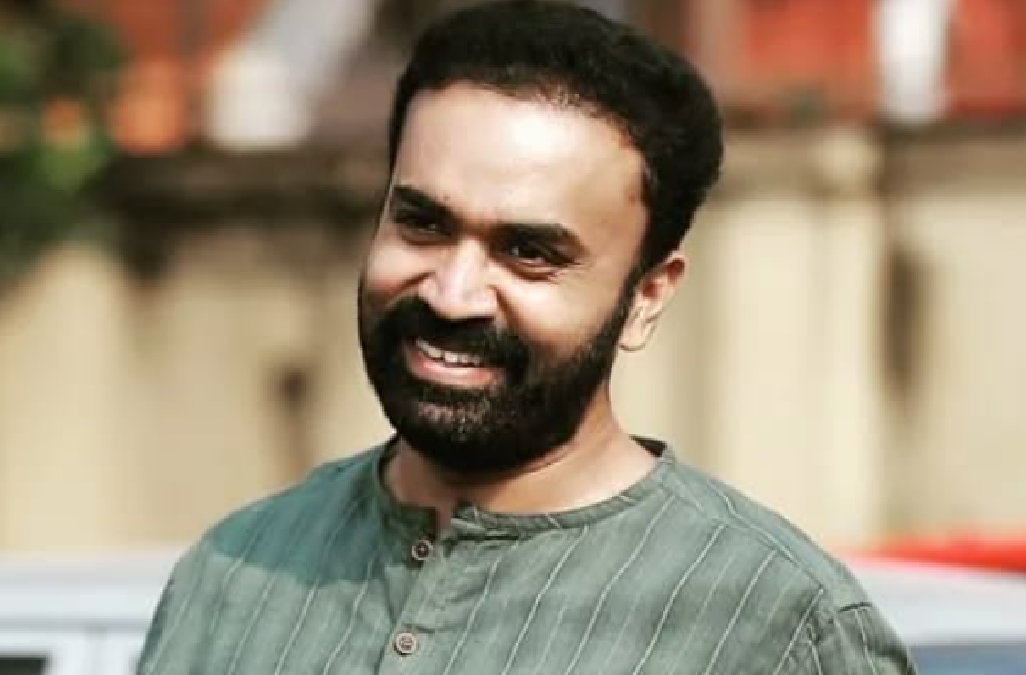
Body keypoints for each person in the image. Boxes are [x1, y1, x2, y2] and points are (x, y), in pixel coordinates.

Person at [136, 1, 918, 673]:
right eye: (422, 224)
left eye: (529, 252)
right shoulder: (236, 572)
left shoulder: (774, 626)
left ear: (647, 296)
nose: (452, 293)